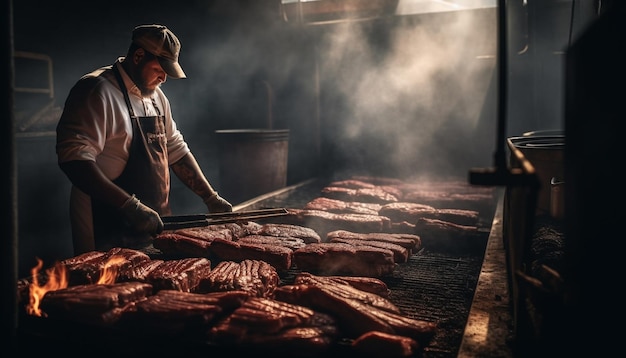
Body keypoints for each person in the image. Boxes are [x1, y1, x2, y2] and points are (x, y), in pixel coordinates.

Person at [56, 24, 233, 255]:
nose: (164, 78)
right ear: (138, 56)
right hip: (105, 226)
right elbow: (74, 160)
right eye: (161, 69)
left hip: (152, 229)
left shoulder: (157, 97)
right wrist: (130, 206)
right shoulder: (96, 90)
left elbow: (175, 149)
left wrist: (210, 197)